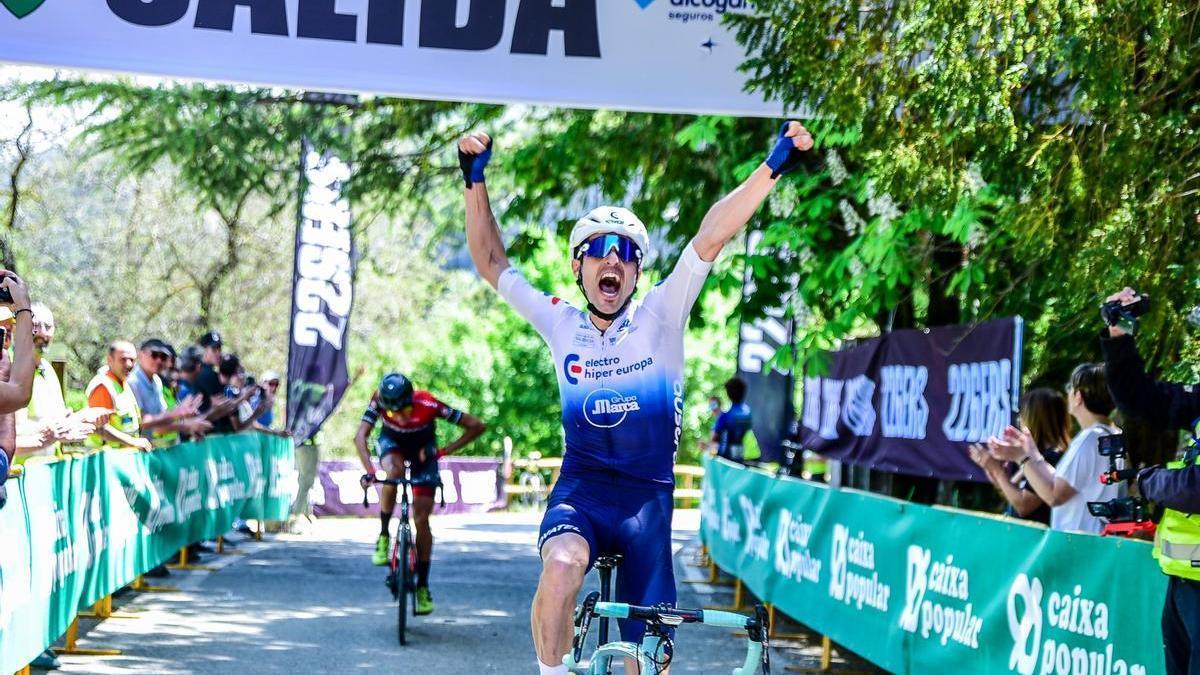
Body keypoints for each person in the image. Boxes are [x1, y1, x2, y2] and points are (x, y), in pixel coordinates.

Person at [460, 121, 814, 674]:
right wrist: (473, 179)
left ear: (636, 269)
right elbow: (491, 263)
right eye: (598, 250)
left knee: (642, 666)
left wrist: (775, 163)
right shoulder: (561, 323)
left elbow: (711, 235)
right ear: (579, 267)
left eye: (625, 252)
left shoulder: (661, 313)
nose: (613, 261)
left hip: (648, 501)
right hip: (584, 488)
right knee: (558, 569)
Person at [1100, 287, 1200, 674]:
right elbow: (1139, 398)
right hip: (1183, 584)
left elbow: (1193, 488)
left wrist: (1147, 481)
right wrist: (1118, 331)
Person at [355, 372, 486, 616]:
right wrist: (371, 471)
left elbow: (477, 425)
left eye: (402, 409)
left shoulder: (428, 404)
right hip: (392, 445)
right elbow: (360, 436)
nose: (399, 416)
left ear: (411, 401)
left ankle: (423, 586)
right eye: (391, 413)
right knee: (392, 472)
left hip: (423, 453)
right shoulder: (379, 399)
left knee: (421, 519)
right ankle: (383, 535)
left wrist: (444, 451)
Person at [988, 364, 1124, 533]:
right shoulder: (1113, 434)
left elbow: (1054, 495)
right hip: (1094, 540)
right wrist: (1031, 453)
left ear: (1078, 397)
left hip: (1079, 542)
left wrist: (1022, 458)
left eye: (1070, 388)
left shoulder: (1090, 439)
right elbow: (1063, 482)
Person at [14, 303, 104, 463]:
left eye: (48, 326)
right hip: (20, 473)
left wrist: (80, 418)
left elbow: (59, 418)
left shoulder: (48, 369)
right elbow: (14, 429)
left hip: (50, 469)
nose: (42, 332)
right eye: (35, 325)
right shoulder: (11, 368)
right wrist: (61, 426)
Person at [969, 388, 1071, 525]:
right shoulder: (1036, 456)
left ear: (1033, 419)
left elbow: (1023, 506)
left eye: (1022, 416)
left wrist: (998, 472)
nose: (1020, 422)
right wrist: (992, 468)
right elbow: (1012, 493)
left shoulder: (1051, 457)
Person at [127, 338, 209, 447]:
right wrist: (178, 414)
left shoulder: (156, 381)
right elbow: (140, 422)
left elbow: (161, 422)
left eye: (163, 357)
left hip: (154, 448)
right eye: (154, 355)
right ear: (141, 354)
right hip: (134, 452)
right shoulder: (133, 382)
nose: (159, 361)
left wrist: (190, 426)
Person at [84, 341, 153, 451]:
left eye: (132, 360)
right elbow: (98, 428)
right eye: (123, 359)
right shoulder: (103, 385)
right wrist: (133, 442)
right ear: (110, 360)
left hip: (122, 458)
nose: (129, 364)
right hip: (104, 459)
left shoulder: (123, 383)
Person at [712, 377, 754, 463]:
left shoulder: (726, 416)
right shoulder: (748, 412)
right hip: (741, 455)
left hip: (725, 458)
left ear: (728, 394)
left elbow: (714, 437)